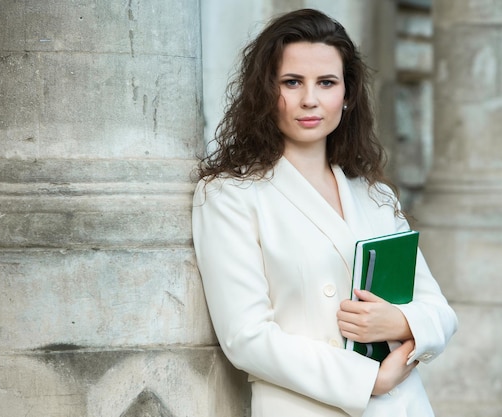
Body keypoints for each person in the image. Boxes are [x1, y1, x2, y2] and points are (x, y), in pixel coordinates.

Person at [192, 8, 457, 417]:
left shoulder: (374, 195)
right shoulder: (230, 195)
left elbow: (439, 311)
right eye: (292, 82)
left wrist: (399, 323)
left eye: (327, 82)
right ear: (265, 91)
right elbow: (246, 337)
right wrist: (368, 380)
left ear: (347, 95)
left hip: (403, 406)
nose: (309, 99)